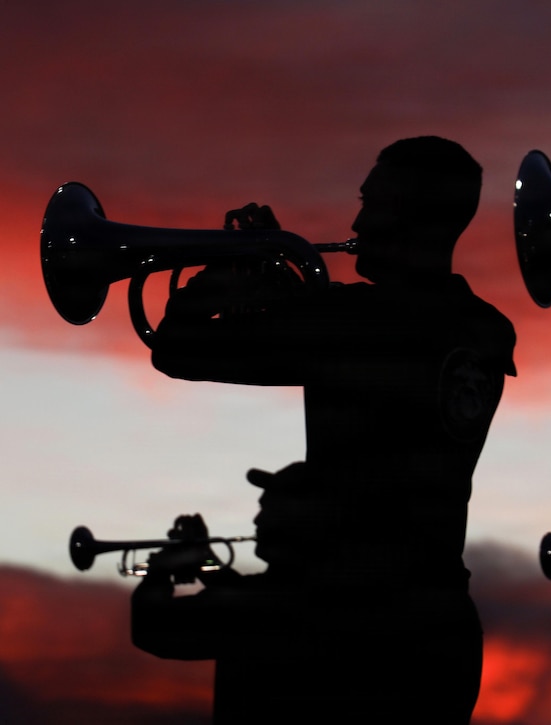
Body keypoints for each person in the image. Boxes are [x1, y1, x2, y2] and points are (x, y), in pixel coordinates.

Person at [132, 136, 517, 722]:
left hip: (337, 619)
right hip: (439, 621)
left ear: (408, 212)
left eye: (373, 202)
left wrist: (211, 292)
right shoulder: (484, 330)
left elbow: (178, 352)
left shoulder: (353, 321)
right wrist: (292, 300)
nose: (358, 219)